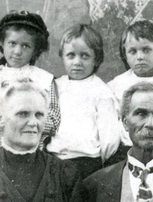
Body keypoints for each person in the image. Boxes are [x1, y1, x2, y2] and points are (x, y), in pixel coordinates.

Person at [0, 11, 60, 158]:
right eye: (12, 43)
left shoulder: (42, 79)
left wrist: (22, 119)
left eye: (26, 46)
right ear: (2, 43)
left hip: (29, 154)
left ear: (35, 50)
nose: (17, 51)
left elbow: (53, 121)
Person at [46, 24, 120, 179]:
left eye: (85, 56)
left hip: (86, 163)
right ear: (63, 57)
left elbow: (110, 138)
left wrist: (99, 161)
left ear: (96, 59)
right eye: (71, 55)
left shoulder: (101, 92)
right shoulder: (56, 85)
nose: (77, 62)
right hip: (53, 159)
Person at [108, 20, 153, 161]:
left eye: (146, 50)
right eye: (133, 51)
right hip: (126, 150)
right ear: (125, 55)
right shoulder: (116, 85)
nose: (140, 57)